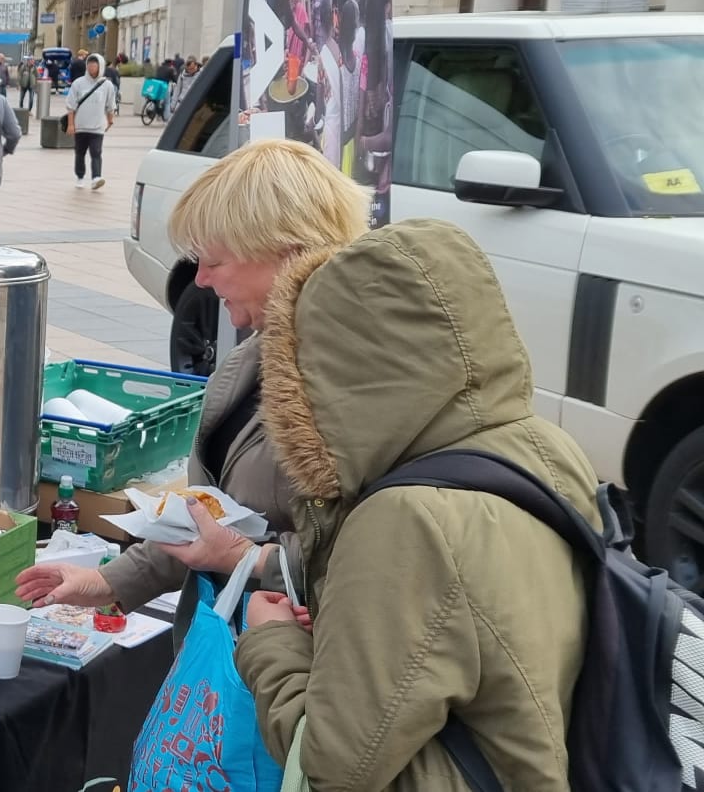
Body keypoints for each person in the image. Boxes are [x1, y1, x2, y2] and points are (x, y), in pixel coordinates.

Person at [235, 218, 599, 789]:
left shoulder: (405, 517)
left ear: (338, 368)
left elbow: (333, 767)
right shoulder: (545, 445)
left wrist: (270, 641)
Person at [15, 139, 367, 634]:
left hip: (301, 673)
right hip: (226, 652)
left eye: (214, 261)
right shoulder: (248, 360)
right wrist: (109, 582)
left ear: (286, 253)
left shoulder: (359, 381)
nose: (199, 280)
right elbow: (203, 521)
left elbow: (375, 555)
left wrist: (251, 559)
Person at [65, 53, 116, 190]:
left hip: (97, 126)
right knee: (80, 152)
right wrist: (71, 124)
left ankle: (96, 177)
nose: (91, 67)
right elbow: (71, 105)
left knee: (96, 152)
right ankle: (80, 176)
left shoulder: (107, 85)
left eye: (94, 65)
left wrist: (110, 120)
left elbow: (110, 105)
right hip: (81, 125)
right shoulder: (78, 83)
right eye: (89, 65)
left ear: (100, 66)